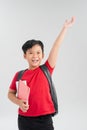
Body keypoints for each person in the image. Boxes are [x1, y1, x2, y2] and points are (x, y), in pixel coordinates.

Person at [8, 16, 75, 130]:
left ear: (43, 55)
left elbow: (56, 46)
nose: (35, 56)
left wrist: (65, 28)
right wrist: (18, 102)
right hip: (24, 119)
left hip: (44, 120)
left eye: (38, 52)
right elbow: (10, 94)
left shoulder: (46, 69)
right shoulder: (19, 75)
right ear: (25, 56)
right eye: (31, 53)